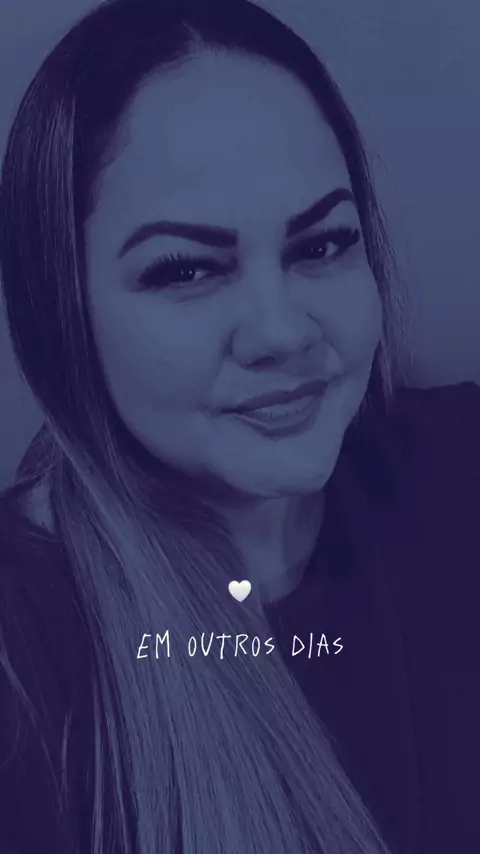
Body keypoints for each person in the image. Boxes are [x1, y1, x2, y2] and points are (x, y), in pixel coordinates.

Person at [0, 0, 479, 852]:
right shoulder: (25, 659)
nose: (282, 332)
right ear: (63, 310)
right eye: (186, 269)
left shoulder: (459, 466)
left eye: (321, 245)